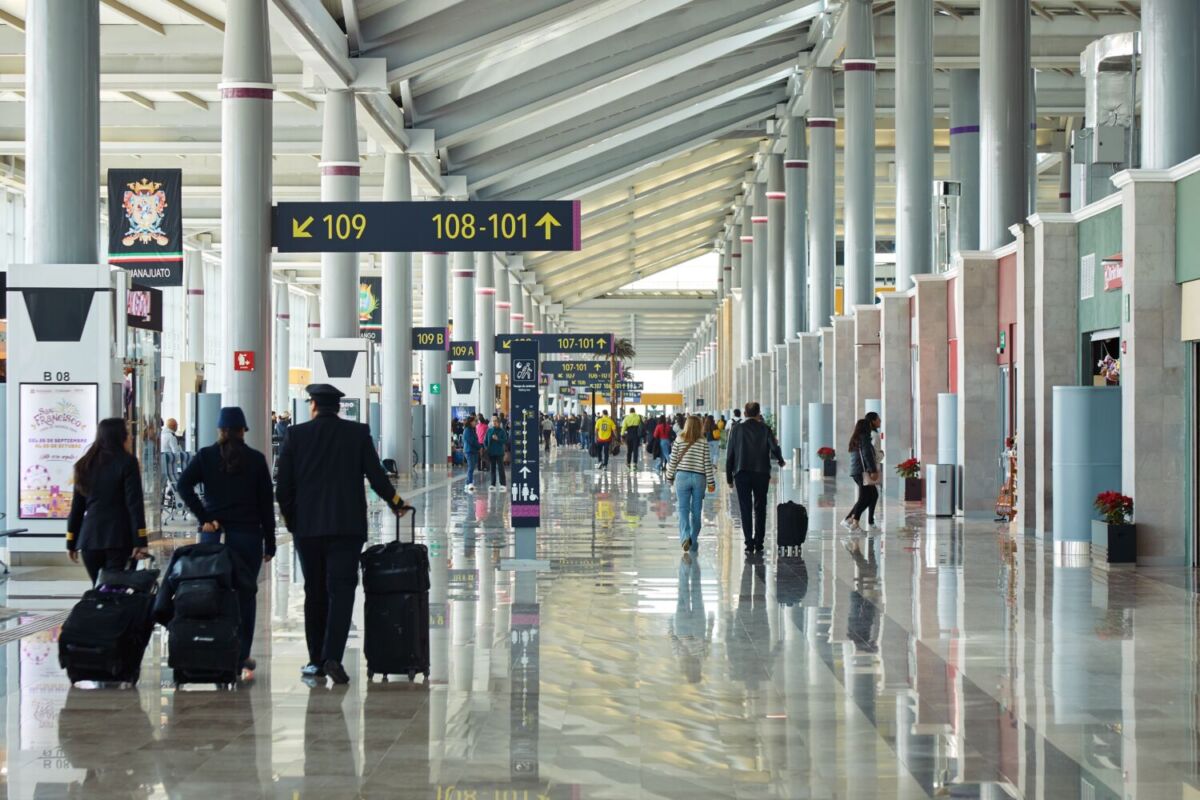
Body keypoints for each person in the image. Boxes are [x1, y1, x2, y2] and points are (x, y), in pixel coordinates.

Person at [275, 384, 413, 685]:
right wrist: (397, 503)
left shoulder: (295, 435)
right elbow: (377, 475)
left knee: (315, 591)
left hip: (308, 530)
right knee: (342, 591)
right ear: (337, 407)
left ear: (313, 406)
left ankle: (315, 660)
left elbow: (282, 486)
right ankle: (333, 656)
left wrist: (293, 521)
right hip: (347, 528)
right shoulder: (357, 433)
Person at [176, 406, 276, 680]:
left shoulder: (206, 457)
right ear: (243, 430)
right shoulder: (256, 460)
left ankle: (214, 648)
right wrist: (270, 542)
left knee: (213, 592)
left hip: (214, 537)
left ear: (219, 430)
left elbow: (183, 485)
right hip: (247, 538)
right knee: (245, 595)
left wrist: (204, 517)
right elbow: (266, 505)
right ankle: (241, 654)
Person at [67, 419, 149, 584]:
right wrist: (140, 540)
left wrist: (71, 541)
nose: (131, 438)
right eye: (127, 434)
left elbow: (76, 508)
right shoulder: (128, 463)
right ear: (119, 437)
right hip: (119, 539)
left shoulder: (84, 465)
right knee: (117, 593)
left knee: (100, 591)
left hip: (89, 540)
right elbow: (134, 504)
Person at [724, 401, 785, 555]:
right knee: (760, 506)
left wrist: (729, 478)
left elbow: (730, 454)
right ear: (759, 414)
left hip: (741, 472)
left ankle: (748, 543)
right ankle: (759, 541)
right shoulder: (765, 428)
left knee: (745, 507)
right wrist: (780, 459)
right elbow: (774, 447)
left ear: (745, 414)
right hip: (761, 472)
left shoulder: (736, 429)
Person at [665, 416, 717, 554]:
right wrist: (711, 482)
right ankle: (693, 538)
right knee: (696, 511)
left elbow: (673, 460)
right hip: (699, 478)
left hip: (682, 477)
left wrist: (669, 476)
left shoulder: (679, 439)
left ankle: (685, 537)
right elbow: (707, 464)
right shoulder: (703, 442)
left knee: (683, 509)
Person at [842, 417, 881, 532]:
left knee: (872, 495)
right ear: (865, 427)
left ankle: (850, 520)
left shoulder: (856, 438)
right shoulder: (864, 439)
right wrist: (873, 470)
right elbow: (867, 456)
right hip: (862, 472)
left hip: (857, 471)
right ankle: (853, 523)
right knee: (865, 497)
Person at [485, 416, 509, 491]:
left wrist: (498, 439)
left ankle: (503, 484)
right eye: (493, 421)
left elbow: (505, 440)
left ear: (499, 422)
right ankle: (492, 484)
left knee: (501, 468)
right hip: (491, 452)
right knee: (492, 468)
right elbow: (485, 440)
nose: (494, 422)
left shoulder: (502, 431)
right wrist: (486, 447)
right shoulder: (489, 430)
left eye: (495, 421)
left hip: (499, 452)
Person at [463, 414, 480, 492]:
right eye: (474, 421)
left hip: (473, 451)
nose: (475, 422)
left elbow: (475, 440)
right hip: (469, 451)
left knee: (472, 467)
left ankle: (467, 483)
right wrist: (479, 446)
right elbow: (472, 441)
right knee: (471, 467)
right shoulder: (467, 430)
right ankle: (469, 483)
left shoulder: (472, 430)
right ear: (470, 422)